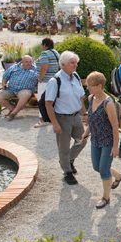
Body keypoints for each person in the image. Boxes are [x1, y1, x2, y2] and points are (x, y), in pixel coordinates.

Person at [82, 72, 121, 209]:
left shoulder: (108, 103)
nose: (88, 88)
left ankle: (106, 198)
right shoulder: (90, 98)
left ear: (99, 86)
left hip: (107, 141)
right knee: (97, 166)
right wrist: (86, 132)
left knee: (103, 170)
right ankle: (118, 176)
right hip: (95, 139)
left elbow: (115, 126)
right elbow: (92, 119)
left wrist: (115, 147)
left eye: (90, 86)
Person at [45, 51, 87, 185]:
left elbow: (80, 97)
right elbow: (48, 103)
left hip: (76, 116)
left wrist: (85, 114)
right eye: (72, 63)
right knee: (63, 147)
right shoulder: (55, 81)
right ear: (62, 64)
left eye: (76, 63)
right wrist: (54, 123)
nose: (75, 65)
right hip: (62, 118)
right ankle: (67, 172)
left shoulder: (75, 76)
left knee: (83, 140)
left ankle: (68, 160)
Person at [0, 55, 38, 120]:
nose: (29, 63)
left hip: (25, 90)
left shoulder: (36, 69)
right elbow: (5, 76)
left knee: (25, 94)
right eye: (26, 62)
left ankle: (13, 113)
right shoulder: (14, 67)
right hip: (11, 89)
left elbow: (41, 79)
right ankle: (11, 108)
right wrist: (3, 84)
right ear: (22, 62)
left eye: (30, 61)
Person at [34, 38, 60, 128]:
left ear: (45, 45)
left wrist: (40, 79)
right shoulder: (56, 52)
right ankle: (51, 118)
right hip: (54, 80)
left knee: (41, 100)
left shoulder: (45, 53)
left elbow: (44, 67)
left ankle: (43, 119)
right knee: (51, 100)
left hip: (45, 81)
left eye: (42, 44)